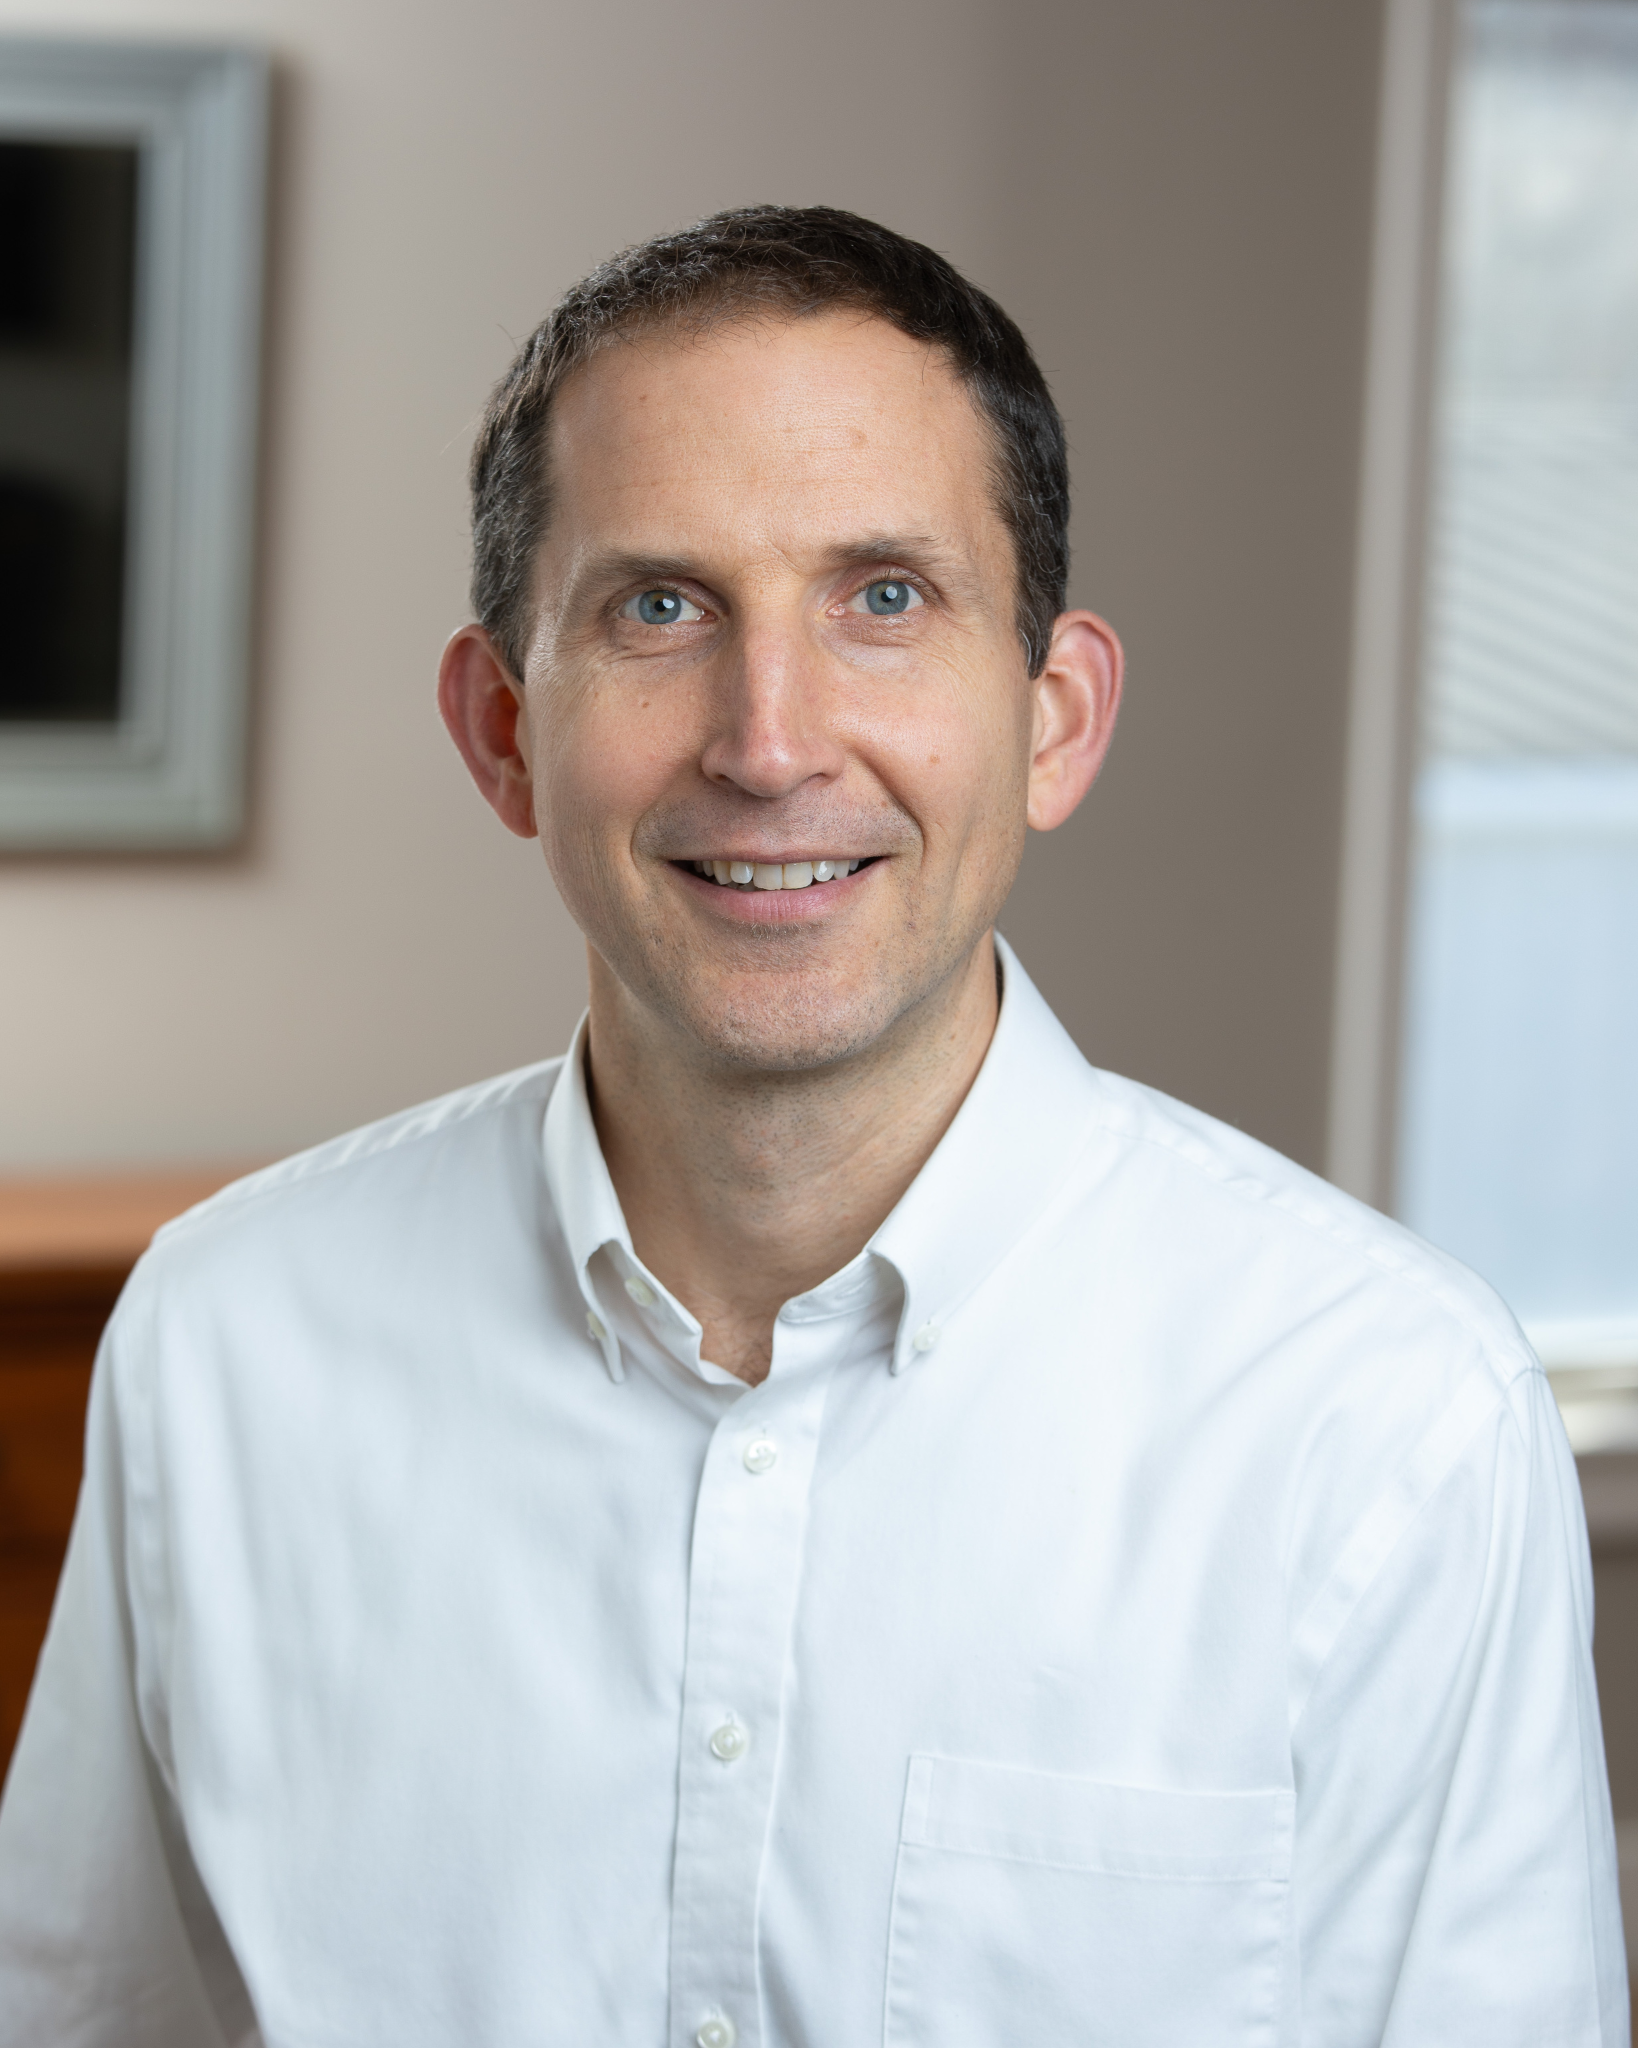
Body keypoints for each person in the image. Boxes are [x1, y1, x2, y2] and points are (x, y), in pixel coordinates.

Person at [0, 205, 1624, 2047]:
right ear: (503, 732)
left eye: (883, 599)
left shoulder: (1384, 1416)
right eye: (660, 608)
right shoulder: (226, 1349)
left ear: (1054, 720)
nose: (769, 741)